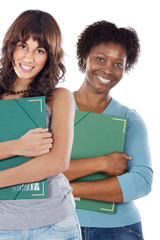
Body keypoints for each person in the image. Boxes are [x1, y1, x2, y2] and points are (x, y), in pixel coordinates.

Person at [0, 9, 82, 240]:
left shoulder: (58, 97)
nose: (29, 58)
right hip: (0, 228)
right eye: (23, 46)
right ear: (10, 46)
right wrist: (18, 146)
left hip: (55, 225)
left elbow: (58, 161)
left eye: (39, 50)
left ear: (50, 56)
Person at [63, 21, 153, 240]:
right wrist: (104, 163)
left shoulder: (129, 119)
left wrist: (67, 189)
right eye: (100, 59)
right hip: (58, 227)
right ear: (85, 56)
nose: (108, 70)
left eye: (118, 64)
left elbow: (141, 182)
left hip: (119, 229)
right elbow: (37, 172)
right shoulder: (54, 109)